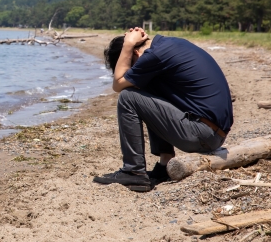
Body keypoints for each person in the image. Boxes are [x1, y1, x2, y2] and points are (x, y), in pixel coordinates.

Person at [93, 27, 233, 192]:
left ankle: (133, 171)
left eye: (129, 66)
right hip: (211, 133)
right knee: (147, 86)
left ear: (136, 53)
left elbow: (118, 84)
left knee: (128, 96)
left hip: (203, 134)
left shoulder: (154, 55)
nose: (132, 71)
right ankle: (165, 163)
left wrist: (127, 45)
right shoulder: (167, 45)